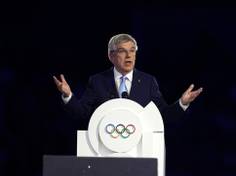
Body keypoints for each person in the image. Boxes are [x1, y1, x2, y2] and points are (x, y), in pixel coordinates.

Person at [53, 33, 202, 123]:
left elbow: (162, 116)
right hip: (106, 148)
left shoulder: (148, 82)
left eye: (132, 51)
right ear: (111, 56)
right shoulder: (97, 81)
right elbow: (82, 113)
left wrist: (182, 103)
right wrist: (68, 95)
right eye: (123, 51)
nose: (129, 55)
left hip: (139, 150)